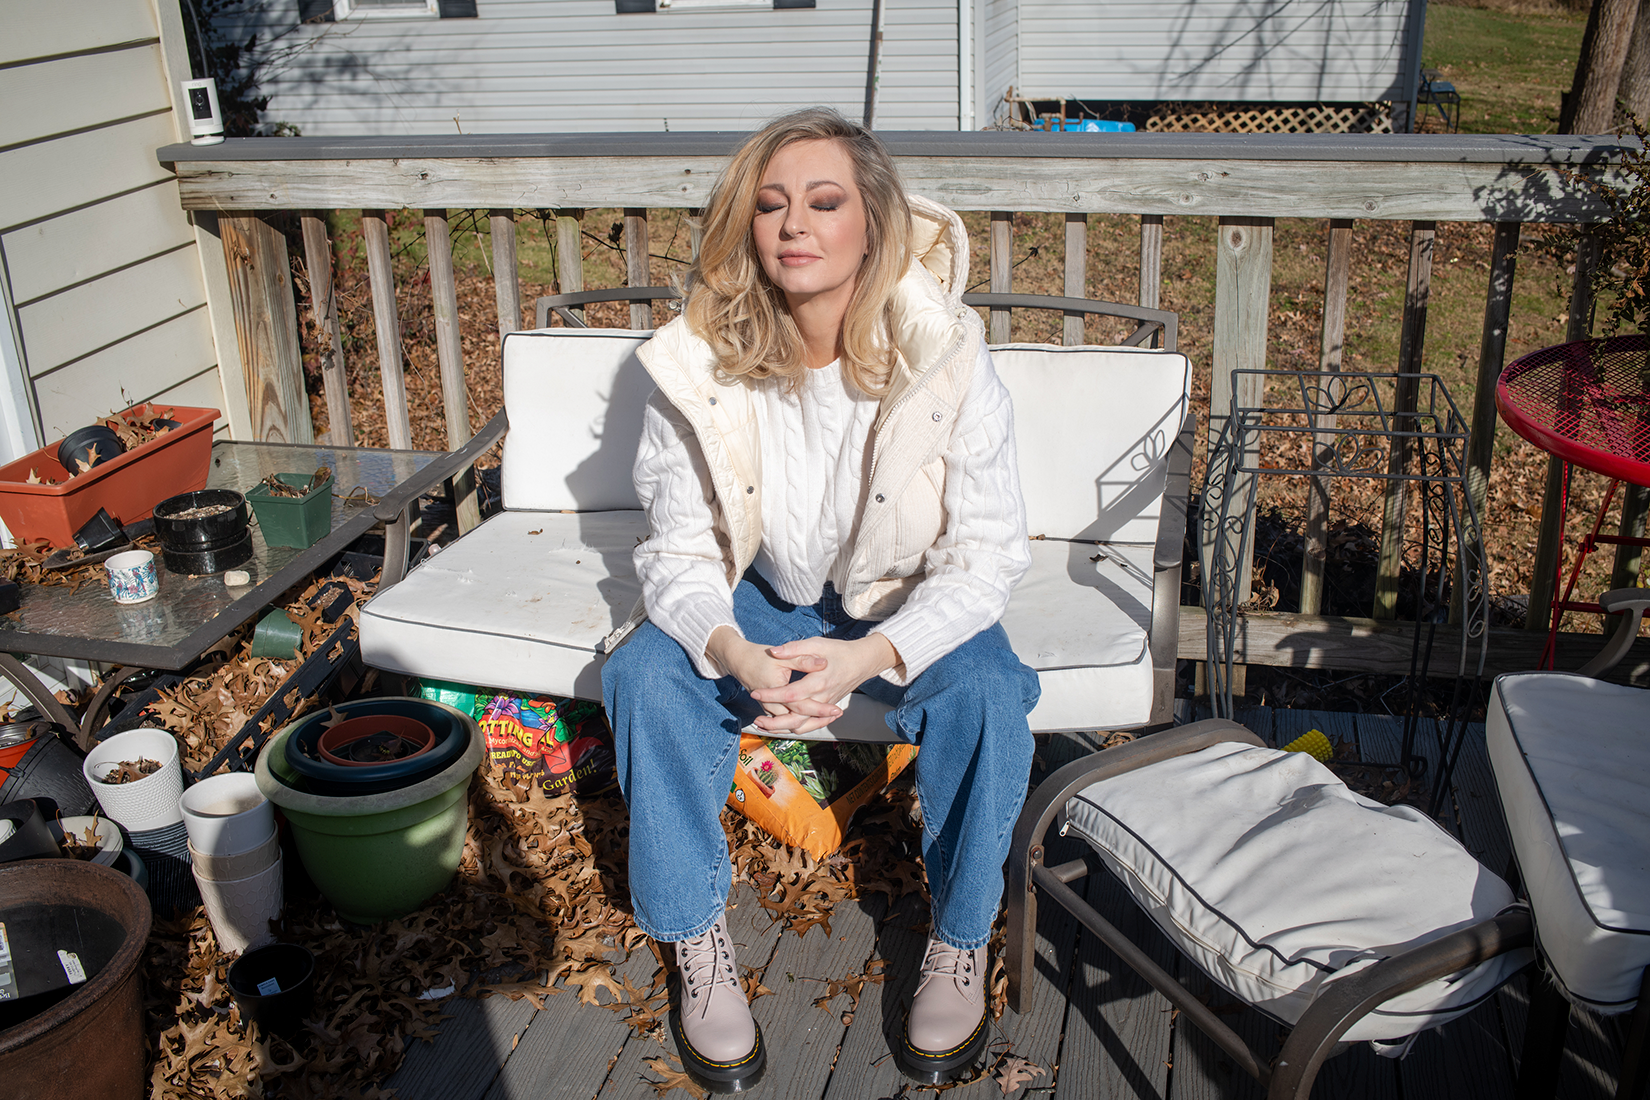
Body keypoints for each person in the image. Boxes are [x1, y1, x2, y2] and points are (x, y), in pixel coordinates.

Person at [601, 106, 1039, 1093]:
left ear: (875, 223)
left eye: (824, 200)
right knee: (644, 672)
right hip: (759, 595)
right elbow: (677, 547)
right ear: (748, 228)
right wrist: (729, 646)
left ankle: (960, 939)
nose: (794, 223)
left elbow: (987, 554)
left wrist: (874, 654)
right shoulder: (701, 361)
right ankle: (698, 942)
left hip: (901, 600)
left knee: (988, 693)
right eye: (771, 204)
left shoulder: (947, 357)